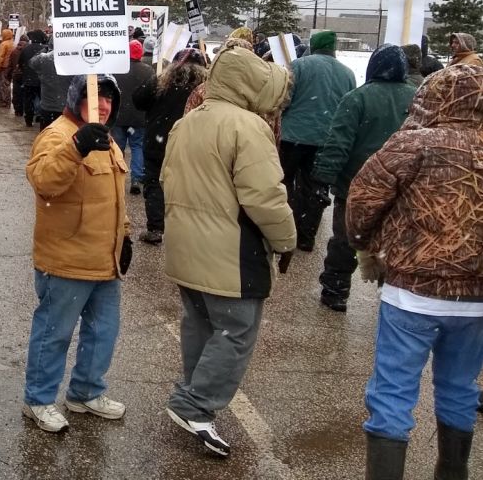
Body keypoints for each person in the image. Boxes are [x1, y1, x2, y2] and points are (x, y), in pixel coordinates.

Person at [347, 62, 483, 480]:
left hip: (412, 293)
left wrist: (365, 243)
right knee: (461, 387)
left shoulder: (411, 144)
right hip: (476, 299)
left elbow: (362, 202)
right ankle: (452, 471)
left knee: (393, 389)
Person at [161, 44, 295, 457]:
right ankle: (195, 404)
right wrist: (286, 239)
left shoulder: (189, 121)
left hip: (187, 245)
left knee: (200, 323)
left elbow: (167, 177)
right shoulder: (247, 126)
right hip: (231, 250)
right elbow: (265, 197)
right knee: (236, 330)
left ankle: (193, 397)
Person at [22, 74, 132, 433]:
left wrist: (125, 237)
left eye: (108, 99)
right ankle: (38, 400)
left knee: (103, 332)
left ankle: (85, 391)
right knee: (54, 334)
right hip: (67, 259)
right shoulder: (57, 134)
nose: (103, 105)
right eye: (95, 97)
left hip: (105, 259)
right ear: (75, 99)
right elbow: (44, 182)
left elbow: (114, 196)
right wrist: (76, 148)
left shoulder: (106, 138)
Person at [311, 45, 417, 312]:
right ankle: (392, 293)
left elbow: (338, 143)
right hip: (402, 189)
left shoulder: (357, 98)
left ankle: (336, 290)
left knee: (346, 239)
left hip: (356, 185)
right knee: (395, 241)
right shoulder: (417, 99)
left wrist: (322, 178)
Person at [279, 30, 356, 251]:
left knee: (283, 182)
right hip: (326, 139)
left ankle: (285, 228)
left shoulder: (298, 66)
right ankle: (307, 234)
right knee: (314, 187)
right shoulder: (348, 73)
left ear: (313, 45)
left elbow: (284, 99)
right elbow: (348, 107)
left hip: (293, 136)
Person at [131, 47, 209, 245]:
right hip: (189, 142)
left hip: (158, 139)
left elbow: (138, 100)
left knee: (155, 182)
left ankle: (156, 227)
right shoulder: (207, 87)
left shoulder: (162, 81)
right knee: (187, 185)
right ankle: (183, 228)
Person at [112, 39, 151, 194]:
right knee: (138, 147)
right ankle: (136, 178)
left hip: (119, 115)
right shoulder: (148, 71)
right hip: (139, 116)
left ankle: (116, 176)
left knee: (117, 148)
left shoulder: (117, 69)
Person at [33, 49, 71, 130]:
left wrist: (42, 51)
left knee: (47, 135)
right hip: (67, 107)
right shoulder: (73, 58)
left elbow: (32, 63)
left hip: (48, 106)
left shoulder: (45, 58)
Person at [20, 30, 49, 127]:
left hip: (28, 79)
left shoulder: (26, 49)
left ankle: (28, 118)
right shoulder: (45, 50)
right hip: (41, 80)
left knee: (28, 100)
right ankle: (40, 116)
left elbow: (21, 63)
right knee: (41, 99)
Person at [0, 28, 15, 107]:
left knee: (1, 84)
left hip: (3, 67)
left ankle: (3, 100)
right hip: (9, 67)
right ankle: (7, 100)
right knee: (7, 84)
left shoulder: (4, 44)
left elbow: (0, 57)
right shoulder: (13, 43)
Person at [10, 33, 30, 116]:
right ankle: (25, 109)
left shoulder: (14, 51)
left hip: (16, 74)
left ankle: (18, 110)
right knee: (25, 93)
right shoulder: (28, 51)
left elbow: (11, 63)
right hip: (26, 75)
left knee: (16, 92)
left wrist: (9, 73)